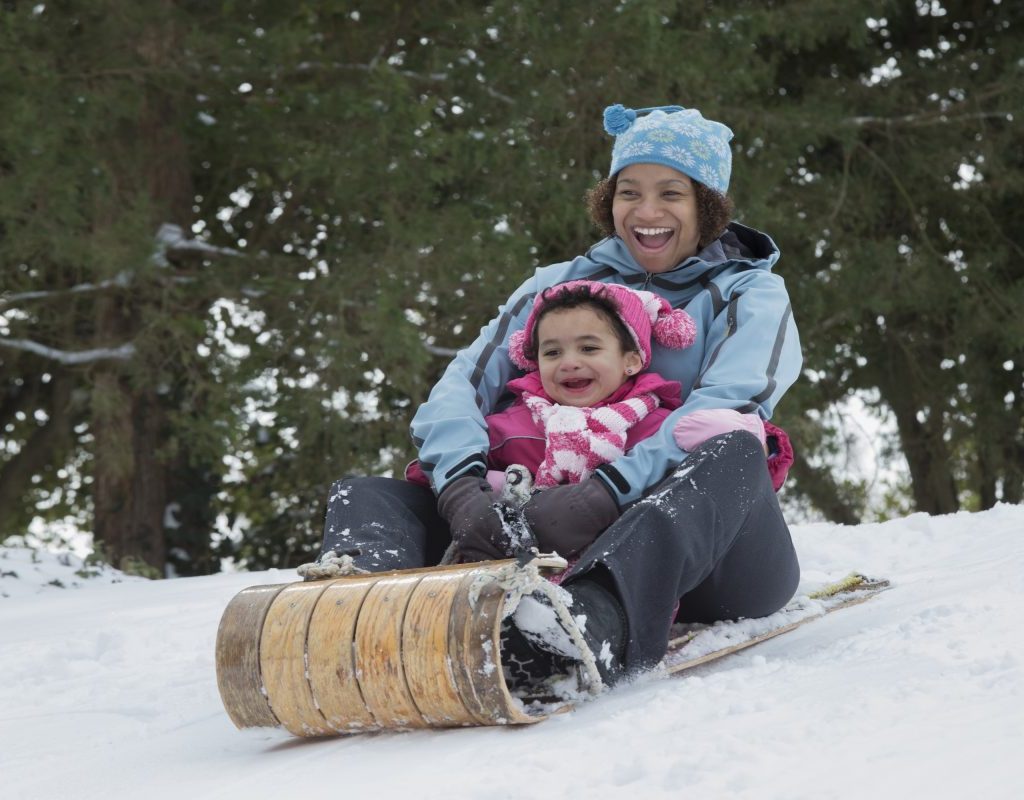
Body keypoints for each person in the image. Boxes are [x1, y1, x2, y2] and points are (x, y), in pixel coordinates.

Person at [310, 102, 801, 689]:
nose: (646, 212)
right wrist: (463, 490)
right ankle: (357, 605)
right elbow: (462, 389)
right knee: (370, 496)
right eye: (629, 192)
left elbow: (727, 405)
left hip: (710, 560)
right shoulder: (555, 287)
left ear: (707, 206)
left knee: (732, 446)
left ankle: (581, 623)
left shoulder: (749, 293)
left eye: (671, 193)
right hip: (542, 522)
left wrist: (605, 494)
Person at [403, 279, 700, 562]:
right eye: (552, 352)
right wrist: (481, 491)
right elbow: (431, 476)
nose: (569, 362)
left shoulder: (656, 427)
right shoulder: (516, 425)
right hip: (516, 554)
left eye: (589, 348)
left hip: (619, 558)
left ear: (631, 360)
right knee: (379, 494)